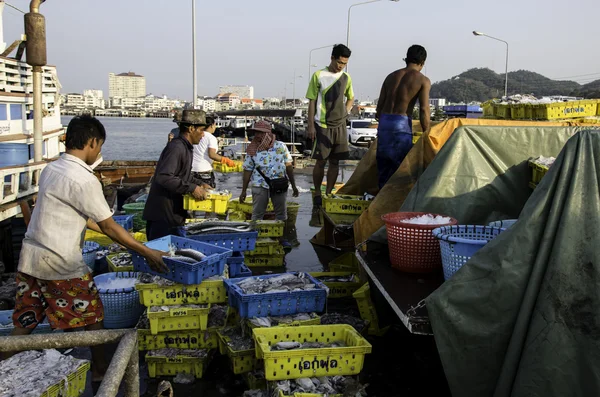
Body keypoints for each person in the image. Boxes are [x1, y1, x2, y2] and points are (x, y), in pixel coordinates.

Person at [8, 115, 167, 380]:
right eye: (100, 146)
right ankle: (101, 370)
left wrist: (128, 240)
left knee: (26, 319)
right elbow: (108, 226)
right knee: (93, 315)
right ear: (92, 142)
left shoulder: (52, 169)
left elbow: (83, 217)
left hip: (31, 257)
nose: (100, 152)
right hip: (60, 262)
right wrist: (147, 251)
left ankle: (5, 362)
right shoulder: (83, 179)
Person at [144, 109, 212, 240]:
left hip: (174, 214)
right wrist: (192, 188)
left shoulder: (186, 147)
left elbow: (182, 175)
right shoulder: (177, 147)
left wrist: (200, 184)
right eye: (201, 130)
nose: (203, 135)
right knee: (162, 255)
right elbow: (164, 177)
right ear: (191, 129)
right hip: (163, 215)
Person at [375, 45, 431, 189]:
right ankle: (396, 205)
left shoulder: (391, 76)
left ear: (406, 59)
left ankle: (379, 206)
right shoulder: (423, 80)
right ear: (423, 62)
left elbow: (378, 108)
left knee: (383, 168)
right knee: (401, 169)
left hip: (384, 123)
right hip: (401, 124)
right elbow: (424, 109)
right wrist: (427, 132)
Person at [306, 44, 354, 209]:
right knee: (320, 162)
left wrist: (345, 113)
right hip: (322, 125)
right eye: (339, 62)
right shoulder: (318, 75)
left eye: (344, 63)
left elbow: (351, 98)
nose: (340, 66)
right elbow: (311, 101)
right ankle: (318, 192)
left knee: (335, 162)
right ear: (332, 58)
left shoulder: (346, 77)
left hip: (339, 126)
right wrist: (311, 125)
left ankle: (329, 193)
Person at [240, 120, 299, 249]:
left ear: (268, 133)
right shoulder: (252, 148)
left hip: (279, 184)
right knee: (257, 214)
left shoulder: (280, 146)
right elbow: (247, 170)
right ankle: (254, 238)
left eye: (260, 133)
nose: (257, 136)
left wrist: (294, 185)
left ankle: (281, 238)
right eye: (256, 132)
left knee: (281, 213)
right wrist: (243, 190)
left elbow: (288, 165)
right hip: (259, 185)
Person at [192, 114, 237, 189]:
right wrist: (226, 160)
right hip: (204, 171)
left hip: (191, 171)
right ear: (212, 125)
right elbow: (212, 154)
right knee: (208, 193)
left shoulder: (195, 135)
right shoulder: (211, 138)